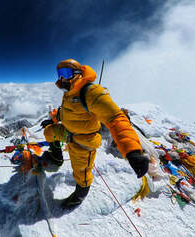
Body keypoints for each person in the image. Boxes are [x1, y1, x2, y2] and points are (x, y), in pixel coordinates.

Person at [40, 59, 149, 209]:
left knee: (81, 172)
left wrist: (132, 151)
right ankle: (56, 157)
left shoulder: (91, 92)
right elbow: (67, 113)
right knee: (49, 132)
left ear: (78, 74)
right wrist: (52, 119)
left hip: (83, 141)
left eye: (66, 73)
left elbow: (115, 118)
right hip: (69, 132)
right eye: (60, 74)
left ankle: (80, 195)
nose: (61, 78)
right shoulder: (70, 92)